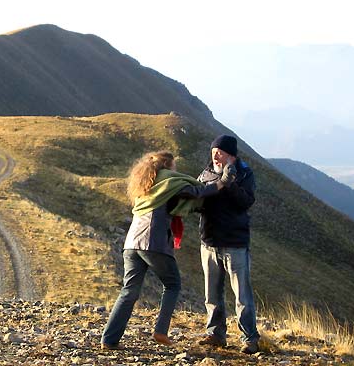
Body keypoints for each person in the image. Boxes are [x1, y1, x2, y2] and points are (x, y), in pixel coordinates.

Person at [101, 150, 231, 350]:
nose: (176, 170)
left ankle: (109, 340)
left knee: (129, 291)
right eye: (174, 167)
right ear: (168, 166)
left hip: (132, 243)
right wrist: (222, 181)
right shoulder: (169, 181)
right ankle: (161, 330)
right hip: (153, 241)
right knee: (172, 285)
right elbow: (197, 192)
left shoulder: (146, 184)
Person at [197, 135, 261, 354]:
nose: (215, 155)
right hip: (209, 242)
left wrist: (230, 182)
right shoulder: (206, 173)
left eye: (220, 151)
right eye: (214, 150)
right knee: (212, 295)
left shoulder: (244, 173)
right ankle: (215, 334)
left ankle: (250, 338)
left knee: (242, 296)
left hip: (235, 244)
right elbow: (198, 201)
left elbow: (246, 202)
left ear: (231, 156)